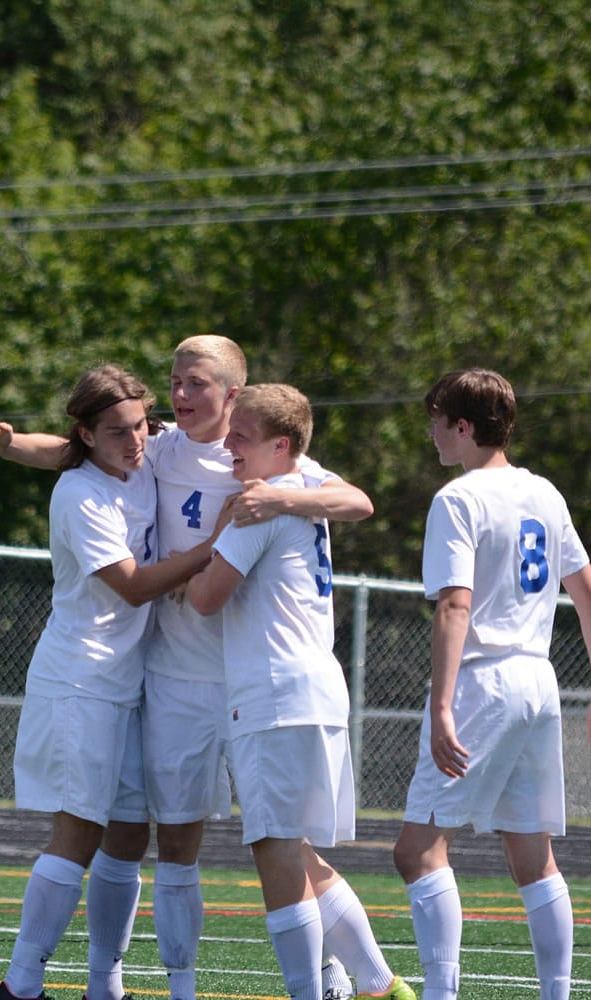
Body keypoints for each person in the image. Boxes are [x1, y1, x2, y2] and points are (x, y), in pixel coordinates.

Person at [0, 336, 402, 1000]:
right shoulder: (159, 446)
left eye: (195, 383)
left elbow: (357, 501)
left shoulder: (267, 458)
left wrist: (279, 502)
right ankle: (167, 987)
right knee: (166, 842)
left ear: (233, 394)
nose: (178, 395)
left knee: (288, 849)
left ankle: (349, 977)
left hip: (253, 681)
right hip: (172, 677)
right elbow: (75, 447)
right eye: (173, 381)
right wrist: (6, 446)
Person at [0, 364, 234, 1000]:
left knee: (128, 831)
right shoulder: (80, 494)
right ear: (88, 435)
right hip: (81, 680)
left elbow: (55, 446)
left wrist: (10, 443)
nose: (135, 441)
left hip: (128, 682)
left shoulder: (141, 459)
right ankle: (19, 985)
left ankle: (105, 985)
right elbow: (131, 586)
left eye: (139, 427)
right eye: (117, 431)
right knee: (78, 833)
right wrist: (217, 544)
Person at [389, 369, 591, 1000]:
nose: (433, 432)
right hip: (538, 681)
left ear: (462, 426)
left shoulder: (457, 498)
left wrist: (441, 705)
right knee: (533, 855)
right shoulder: (545, 494)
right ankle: (557, 993)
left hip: (482, 682)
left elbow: (454, 607)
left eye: (438, 419)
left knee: (418, 851)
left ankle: (441, 994)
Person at [182, 383, 412, 1000]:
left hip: (273, 694)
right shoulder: (304, 482)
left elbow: (204, 600)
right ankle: (378, 983)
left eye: (242, 437)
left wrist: (205, 545)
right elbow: (356, 499)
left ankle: (314, 992)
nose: (229, 444)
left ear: (280, 447)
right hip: (312, 688)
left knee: (274, 850)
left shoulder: (261, 505)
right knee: (297, 849)